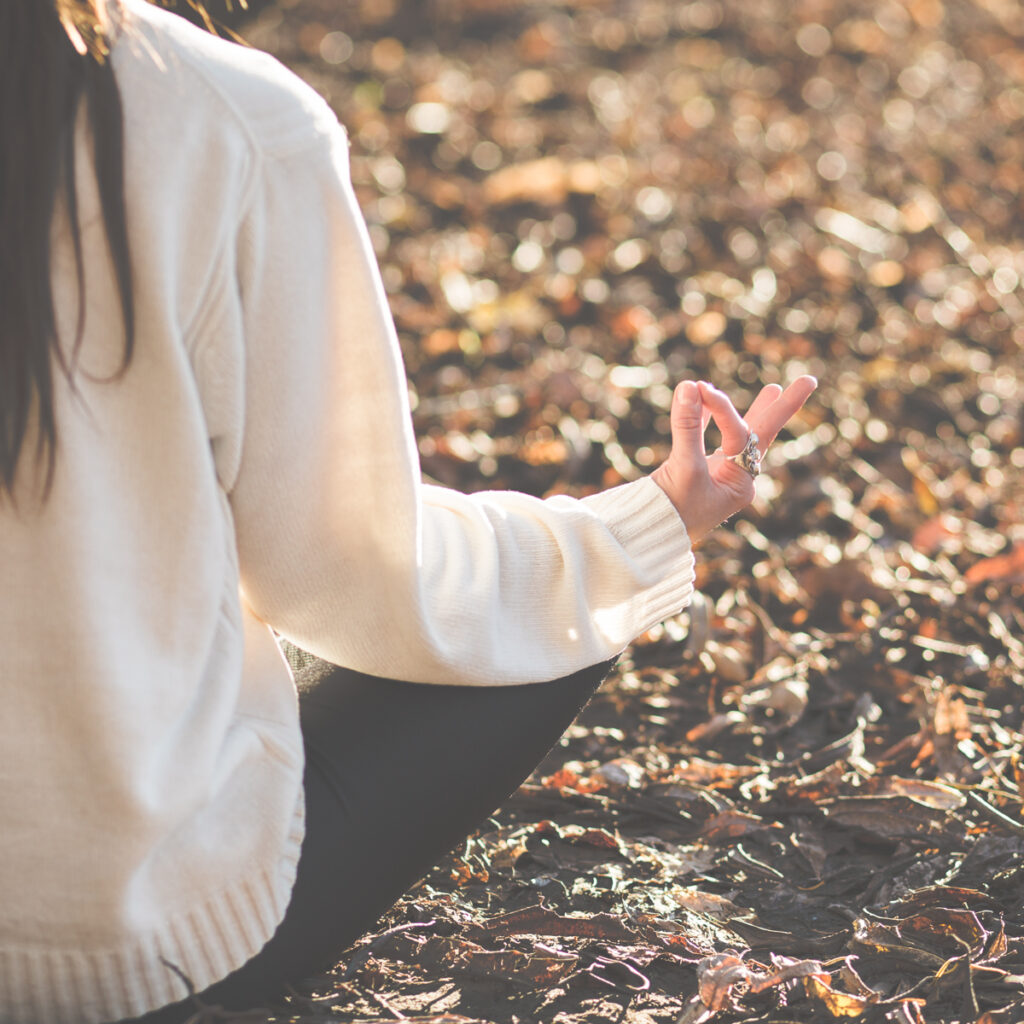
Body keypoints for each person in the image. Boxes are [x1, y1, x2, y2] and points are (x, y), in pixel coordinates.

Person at [0, 1, 817, 1022]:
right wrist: (641, 525)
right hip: (124, 954)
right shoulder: (226, 124)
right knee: (545, 617)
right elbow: (362, 576)